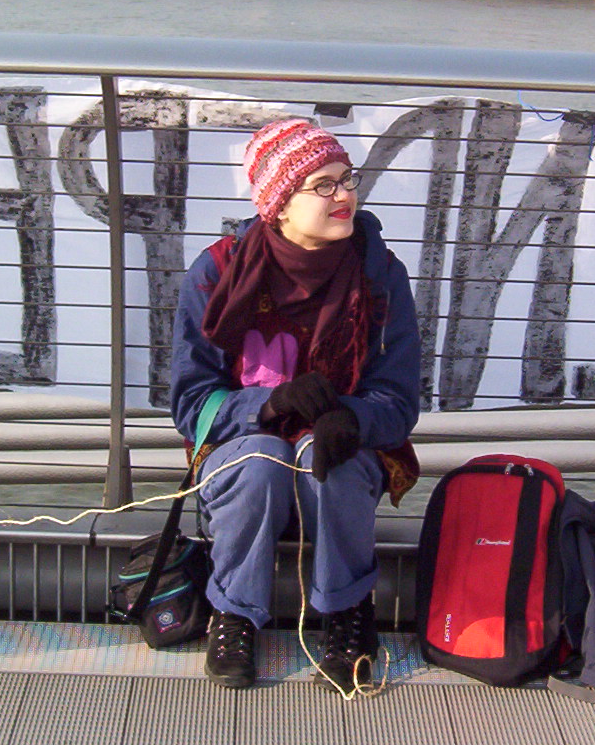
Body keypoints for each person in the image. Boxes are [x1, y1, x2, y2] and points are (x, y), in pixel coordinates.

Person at [171, 119, 419, 691]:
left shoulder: (380, 276)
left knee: (323, 457)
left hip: (339, 445)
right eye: (324, 185)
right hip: (241, 446)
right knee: (258, 459)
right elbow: (191, 402)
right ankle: (234, 613)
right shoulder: (217, 273)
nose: (346, 196)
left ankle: (347, 613)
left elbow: (399, 399)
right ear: (279, 203)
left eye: (347, 179)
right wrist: (268, 402)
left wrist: (351, 416)